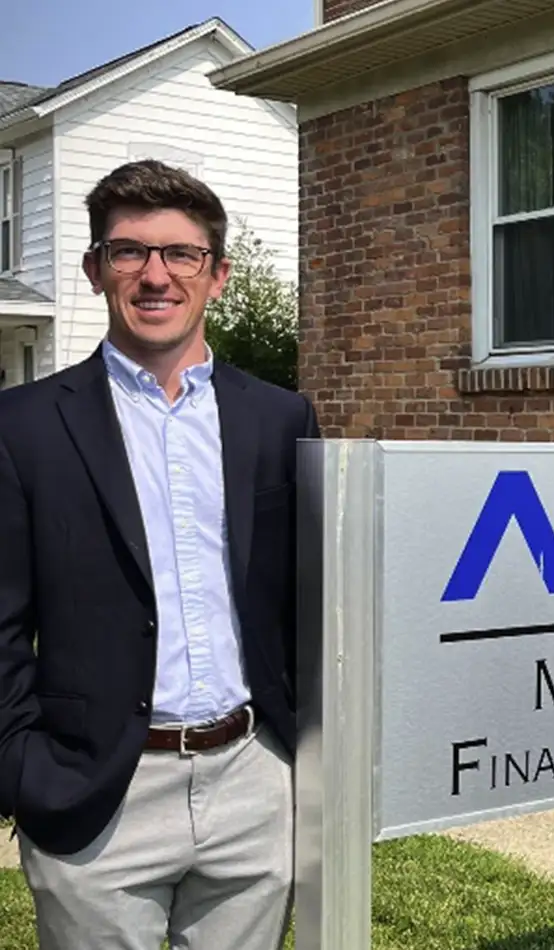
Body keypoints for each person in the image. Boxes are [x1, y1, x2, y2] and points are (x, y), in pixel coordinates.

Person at [0, 160, 318, 950]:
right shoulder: (23, 426)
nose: (155, 275)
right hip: (98, 794)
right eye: (128, 252)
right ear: (94, 270)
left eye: (181, 254)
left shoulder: (280, 417)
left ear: (217, 276)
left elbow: (306, 601)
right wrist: (24, 772)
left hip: (250, 778)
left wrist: (295, 755)